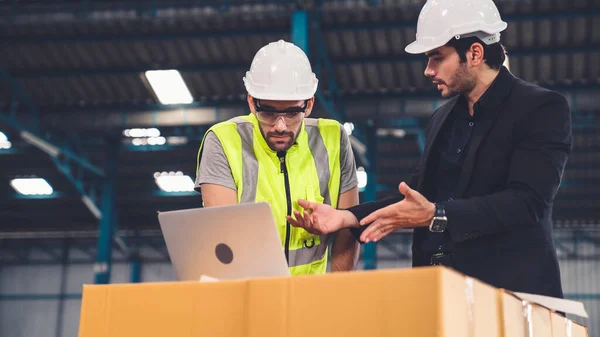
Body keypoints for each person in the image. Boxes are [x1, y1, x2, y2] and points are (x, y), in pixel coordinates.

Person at [288, 0, 572, 298]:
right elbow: (417, 195)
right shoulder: (443, 118)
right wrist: (345, 217)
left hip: (514, 299)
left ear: (474, 53)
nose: (428, 70)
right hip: (445, 298)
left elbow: (528, 202)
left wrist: (437, 215)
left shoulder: (540, 108)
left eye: (437, 58)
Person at [194, 39, 360, 275]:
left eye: (292, 112)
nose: (280, 126)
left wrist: (334, 293)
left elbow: (349, 226)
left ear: (309, 104)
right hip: (249, 296)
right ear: (252, 102)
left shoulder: (333, 139)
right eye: (269, 112)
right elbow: (224, 236)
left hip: (311, 299)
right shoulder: (222, 140)